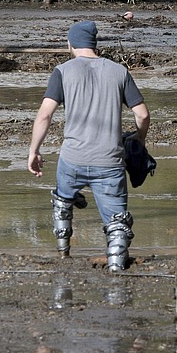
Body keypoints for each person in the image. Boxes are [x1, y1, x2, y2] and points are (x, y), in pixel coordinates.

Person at [28, 20, 150, 272]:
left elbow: (44, 115)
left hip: (72, 160)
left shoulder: (62, 71)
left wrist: (34, 150)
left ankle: (64, 253)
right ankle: (117, 271)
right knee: (117, 223)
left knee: (62, 201)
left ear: (70, 43)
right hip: (110, 163)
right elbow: (143, 115)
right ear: (94, 44)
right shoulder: (119, 71)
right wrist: (139, 139)